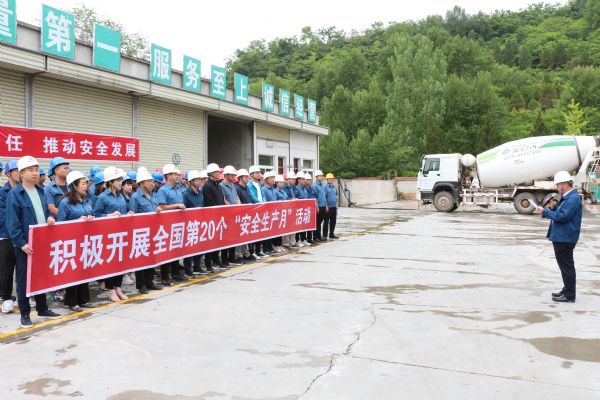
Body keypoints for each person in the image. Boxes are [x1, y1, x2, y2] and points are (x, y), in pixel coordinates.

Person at [6, 156, 61, 328]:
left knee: (41, 276)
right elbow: (12, 222)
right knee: (24, 280)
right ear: (21, 173)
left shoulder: (41, 191)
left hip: (41, 242)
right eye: (30, 170)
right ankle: (25, 314)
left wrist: (49, 218)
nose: (35, 173)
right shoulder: (15, 194)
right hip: (25, 245)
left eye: (36, 170)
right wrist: (22, 243)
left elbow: (44, 213)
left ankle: (42, 308)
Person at [535, 171, 582, 303]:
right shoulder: (568, 197)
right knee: (565, 267)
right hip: (563, 237)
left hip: (565, 237)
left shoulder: (572, 198)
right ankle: (566, 290)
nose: (556, 187)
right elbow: (561, 212)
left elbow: (563, 217)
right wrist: (554, 207)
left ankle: (569, 295)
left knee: (567, 268)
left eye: (557, 185)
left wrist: (545, 212)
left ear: (564, 184)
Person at [57, 171, 95, 311]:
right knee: (73, 271)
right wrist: (77, 221)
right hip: (71, 242)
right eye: (83, 184)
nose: (86, 186)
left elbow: (93, 213)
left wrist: (91, 218)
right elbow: (60, 224)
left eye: (86, 183)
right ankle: (71, 301)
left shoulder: (87, 200)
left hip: (85, 240)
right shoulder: (65, 203)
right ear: (74, 185)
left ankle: (83, 299)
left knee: (84, 269)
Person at [93, 166, 131, 302]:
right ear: (110, 181)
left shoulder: (120, 196)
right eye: (118, 180)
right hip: (108, 235)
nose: (120, 182)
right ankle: (111, 290)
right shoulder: (102, 198)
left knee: (120, 262)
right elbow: (96, 215)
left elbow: (123, 213)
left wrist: (128, 214)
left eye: (121, 179)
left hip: (121, 234)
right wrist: (108, 215)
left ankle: (118, 288)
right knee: (110, 263)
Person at [129, 168, 163, 294]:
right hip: (141, 233)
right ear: (142, 183)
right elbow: (132, 216)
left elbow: (154, 209)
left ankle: (150, 282)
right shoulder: (135, 197)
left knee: (151, 258)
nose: (152, 184)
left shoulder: (152, 195)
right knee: (141, 259)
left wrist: (158, 210)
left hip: (153, 231)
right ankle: (141, 284)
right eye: (149, 181)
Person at [156, 164, 188, 285]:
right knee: (165, 251)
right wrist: (176, 206)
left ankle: (175, 273)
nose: (177, 176)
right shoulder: (163, 190)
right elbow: (161, 206)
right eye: (175, 174)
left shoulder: (177, 189)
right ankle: (165, 276)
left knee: (176, 249)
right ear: (168, 176)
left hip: (177, 224)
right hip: (166, 225)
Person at [0, 160, 20, 314]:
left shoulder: (24, 191)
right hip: (6, 235)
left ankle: (22, 296)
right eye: (16, 170)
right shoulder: (2, 192)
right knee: (6, 269)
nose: (20, 173)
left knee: (22, 268)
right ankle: (6, 298)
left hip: (21, 236)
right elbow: (3, 216)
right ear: (8, 174)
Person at [202, 163, 226, 272]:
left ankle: (216, 260)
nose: (219, 173)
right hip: (211, 218)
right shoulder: (207, 186)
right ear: (211, 173)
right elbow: (209, 202)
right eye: (217, 172)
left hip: (219, 217)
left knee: (218, 241)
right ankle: (208, 264)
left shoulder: (218, 185)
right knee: (210, 242)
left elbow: (221, 200)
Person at [182, 170, 206, 276]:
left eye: (200, 179)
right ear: (191, 181)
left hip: (199, 222)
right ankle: (188, 269)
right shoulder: (186, 194)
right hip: (189, 224)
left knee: (199, 246)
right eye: (197, 179)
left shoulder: (200, 193)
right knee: (189, 247)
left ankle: (197, 266)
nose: (200, 181)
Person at [220, 165, 243, 267]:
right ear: (227, 175)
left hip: (235, 215)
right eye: (232, 175)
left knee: (233, 237)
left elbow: (236, 197)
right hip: (227, 215)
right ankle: (225, 259)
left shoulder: (233, 185)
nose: (234, 177)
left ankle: (232, 258)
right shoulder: (221, 186)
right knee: (226, 238)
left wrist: (239, 206)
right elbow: (224, 199)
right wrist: (231, 208)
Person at [235, 169, 257, 261]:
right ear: (240, 178)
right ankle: (238, 254)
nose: (248, 178)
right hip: (240, 215)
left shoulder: (247, 187)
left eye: (248, 177)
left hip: (248, 215)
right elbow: (237, 201)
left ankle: (246, 253)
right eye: (246, 177)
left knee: (246, 235)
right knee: (239, 235)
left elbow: (250, 198)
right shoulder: (237, 188)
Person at [248, 166, 268, 258]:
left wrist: (264, 202)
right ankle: (252, 252)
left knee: (260, 231)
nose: (259, 174)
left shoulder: (259, 184)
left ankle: (258, 250)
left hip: (261, 209)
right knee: (253, 231)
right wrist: (260, 203)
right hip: (254, 210)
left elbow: (262, 194)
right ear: (251, 174)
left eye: (259, 172)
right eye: (256, 173)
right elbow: (252, 196)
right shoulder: (249, 185)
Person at [261, 171, 279, 253]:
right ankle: (266, 248)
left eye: (273, 178)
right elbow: (264, 200)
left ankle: (270, 246)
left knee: (271, 231)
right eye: (271, 178)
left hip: (273, 212)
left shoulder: (273, 189)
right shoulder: (264, 189)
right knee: (266, 231)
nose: (273, 180)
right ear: (266, 179)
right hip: (267, 213)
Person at [273, 174, 289, 253]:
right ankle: (276, 245)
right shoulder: (275, 191)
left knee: (281, 230)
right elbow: (274, 201)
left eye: (283, 182)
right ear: (276, 183)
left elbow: (287, 198)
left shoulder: (283, 191)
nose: (283, 184)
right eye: (281, 182)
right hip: (277, 212)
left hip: (283, 212)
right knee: (276, 230)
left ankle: (280, 244)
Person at [324, 173, 339, 240]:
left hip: (334, 207)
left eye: (332, 178)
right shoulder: (325, 187)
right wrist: (326, 206)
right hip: (328, 207)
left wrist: (336, 206)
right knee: (326, 222)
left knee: (333, 221)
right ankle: (325, 235)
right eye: (330, 179)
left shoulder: (334, 187)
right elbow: (324, 197)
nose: (331, 180)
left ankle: (331, 234)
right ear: (327, 179)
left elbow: (336, 196)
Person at [313, 170, 326, 242]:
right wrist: (316, 206)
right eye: (320, 176)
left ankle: (319, 236)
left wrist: (326, 205)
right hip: (318, 207)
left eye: (322, 176)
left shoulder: (322, 185)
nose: (322, 177)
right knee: (317, 223)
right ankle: (315, 237)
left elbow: (324, 196)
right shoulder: (315, 186)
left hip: (323, 206)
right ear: (317, 177)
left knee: (320, 222)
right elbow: (315, 198)